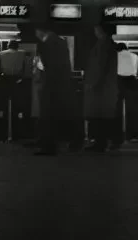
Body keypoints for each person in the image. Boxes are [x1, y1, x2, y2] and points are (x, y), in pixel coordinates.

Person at [33, 22, 75, 156]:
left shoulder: (48, 43)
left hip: (51, 85)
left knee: (48, 115)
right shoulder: (61, 42)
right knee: (56, 115)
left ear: (40, 31)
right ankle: (54, 143)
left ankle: (48, 145)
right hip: (61, 85)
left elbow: (48, 66)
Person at [84, 24, 119, 153]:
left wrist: (93, 83)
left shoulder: (103, 45)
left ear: (100, 30)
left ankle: (100, 143)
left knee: (99, 116)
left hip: (101, 87)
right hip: (106, 86)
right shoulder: (109, 44)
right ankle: (105, 142)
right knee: (104, 116)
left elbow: (99, 66)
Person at [114, 43, 138, 146]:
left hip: (118, 82)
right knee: (131, 109)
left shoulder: (115, 56)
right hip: (131, 82)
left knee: (117, 109)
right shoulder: (135, 56)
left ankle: (117, 136)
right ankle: (130, 136)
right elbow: (135, 71)